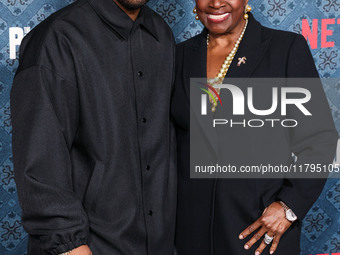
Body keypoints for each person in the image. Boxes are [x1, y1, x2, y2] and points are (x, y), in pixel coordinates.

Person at [171, 0, 338, 254]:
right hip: (192, 235)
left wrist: (288, 206)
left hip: (260, 232)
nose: (216, 3)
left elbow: (320, 140)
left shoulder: (285, 49)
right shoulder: (178, 55)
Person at [10, 0, 177, 254]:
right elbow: (41, 164)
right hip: (89, 247)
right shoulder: (57, 37)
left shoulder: (161, 34)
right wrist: (70, 244)